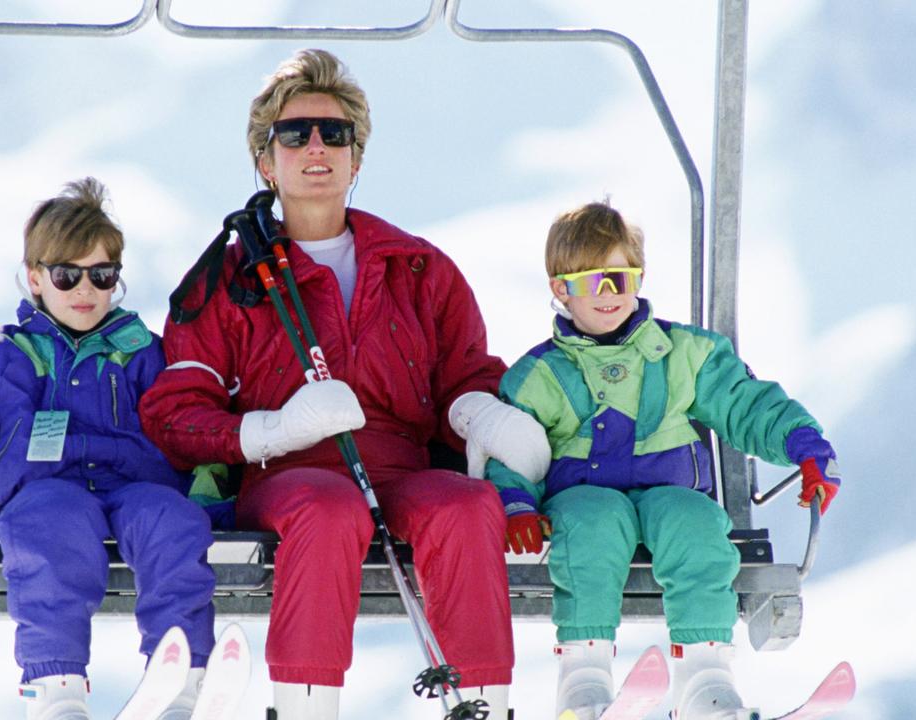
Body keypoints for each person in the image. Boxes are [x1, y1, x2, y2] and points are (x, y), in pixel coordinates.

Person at [138, 49, 552, 720]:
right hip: (287, 473)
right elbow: (175, 413)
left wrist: (484, 416)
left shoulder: (419, 270)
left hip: (400, 465)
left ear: (357, 159)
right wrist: (275, 428)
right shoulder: (232, 282)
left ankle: (483, 703)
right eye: (294, 134)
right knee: (328, 510)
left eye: (335, 133)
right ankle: (304, 707)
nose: (316, 147)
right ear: (265, 161)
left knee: (466, 507)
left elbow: (463, 374)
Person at [0, 178, 217, 720]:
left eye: (101, 275)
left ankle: (181, 676)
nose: (86, 290)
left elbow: (188, 426)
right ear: (35, 278)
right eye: (66, 275)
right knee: (52, 525)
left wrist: (216, 476)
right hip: (41, 492)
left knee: (172, 520)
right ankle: (56, 686)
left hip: (133, 488)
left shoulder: (142, 354)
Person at [488, 201, 842, 720]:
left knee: (697, 525)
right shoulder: (540, 375)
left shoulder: (684, 353)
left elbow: (745, 403)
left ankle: (706, 682)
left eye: (620, 278)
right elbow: (509, 445)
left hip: (670, 491)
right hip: (582, 498)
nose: (610, 296)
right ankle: (584, 683)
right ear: (561, 289)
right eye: (592, 283)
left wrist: (804, 447)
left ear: (639, 278)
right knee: (591, 526)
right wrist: (516, 504)